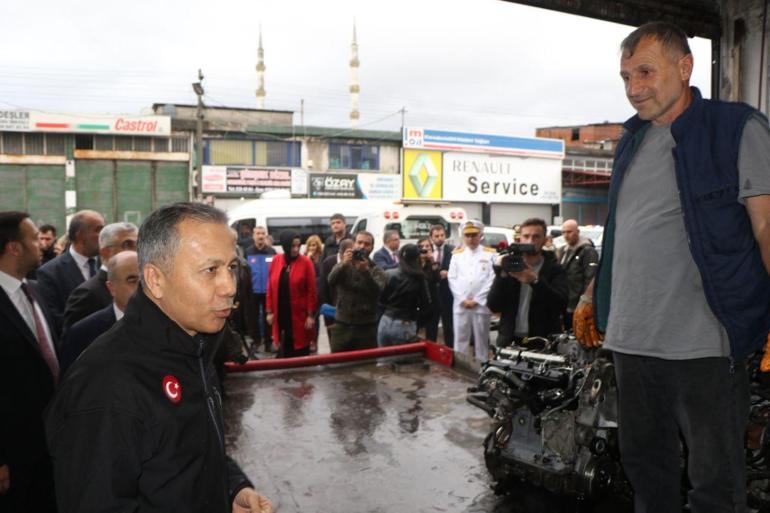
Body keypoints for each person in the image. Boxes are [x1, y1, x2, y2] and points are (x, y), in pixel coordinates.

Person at [572, 22, 770, 513]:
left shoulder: (736, 128)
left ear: (685, 68)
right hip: (632, 341)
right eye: (624, 77)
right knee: (646, 474)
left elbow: (766, 228)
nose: (633, 88)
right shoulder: (631, 142)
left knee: (715, 486)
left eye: (645, 72)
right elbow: (625, 231)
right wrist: (593, 292)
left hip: (705, 344)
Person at [45, 202, 273, 513]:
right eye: (210, 270)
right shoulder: (106, 385)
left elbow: (191, 448)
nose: (229, 287)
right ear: (154, 279)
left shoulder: (194, 345)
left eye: (232, 267)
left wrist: (232, 487)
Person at [0, 211, 58, 513]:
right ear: (14, 248)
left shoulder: (35, 290)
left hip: (47, 447)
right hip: (12, 454)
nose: (43, 245)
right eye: (35, 239)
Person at [487, 218, 568, 346]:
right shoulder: (512, 265)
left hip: (542, 341)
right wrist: (501, 275)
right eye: (526, 236)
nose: (530, 241)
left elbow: (559, 305)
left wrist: (535, 281)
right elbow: (494, 305)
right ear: (520, 239)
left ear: (545, 240)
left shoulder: (554, 268)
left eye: (536, 237)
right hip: (510, 339)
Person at [58, 250, 139, 375]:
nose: (141, 287)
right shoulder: (83, 333)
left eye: (145, 280)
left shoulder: (168, 324)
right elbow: (70, 386)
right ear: (111, 288)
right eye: (132, 280)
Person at [36, 209, 105, 333]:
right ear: (80, 235)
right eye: (98, 230)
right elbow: (54, 319)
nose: (104, 235)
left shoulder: (109, 265)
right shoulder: (49, 272)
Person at [62, 221, 138, 331]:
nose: (136, 250)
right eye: (128, 245)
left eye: (138, 244)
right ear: (105, 252)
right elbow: (76, 339)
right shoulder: (87, 294)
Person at [327, 230, 387, 352]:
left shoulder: (376, 269)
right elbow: (331, 280)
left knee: (367, 366)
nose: (362, 247)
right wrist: (343, 264)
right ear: (354, 244)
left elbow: (378, 292)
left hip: (366, 329)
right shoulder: (345, 264)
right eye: (359, 242)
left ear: (372, 247)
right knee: (337, 365)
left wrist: (365, 272)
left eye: (367, 244)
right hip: (342, 325)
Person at [448, 220, 495, 361]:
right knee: (460, 338)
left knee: (481, 339)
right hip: (461, 305)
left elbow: (492, 279)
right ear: (463, 236)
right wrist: (463, 299)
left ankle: (483, 367)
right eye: (467, 235)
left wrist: (477, 300)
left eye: (474, 235)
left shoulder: (490, 254)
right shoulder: (456, 255)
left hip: (481, 305)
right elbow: (452, 278)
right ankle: (460, 365)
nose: (470, 239)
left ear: (480, 235)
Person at [265, 231, 317, 358]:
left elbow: (312, 290)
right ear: (285, 246)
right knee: (283, 346)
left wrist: (311, 315)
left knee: (299, 347)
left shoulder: (306, 262)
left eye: (298, 246)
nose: (295, 249)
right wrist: (269, 311)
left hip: (299, 314)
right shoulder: (276, 260)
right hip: (281, 312)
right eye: (292, 246)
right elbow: (270, 287)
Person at [377, 244, 432, 346]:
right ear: (417, 258)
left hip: (385, 321)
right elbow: (426, 306)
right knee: (404, 360)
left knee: (383, 360)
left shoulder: (389, 274)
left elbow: (381, 299)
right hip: (405, 324)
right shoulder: (419, 278)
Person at [555, 219, 598, 329]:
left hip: (577, 303)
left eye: (569, 232)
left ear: (577, 231)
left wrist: (585, 302)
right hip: (565, 302)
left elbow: (590, 278)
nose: (566, 235)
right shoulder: (564, 250)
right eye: (563, 232)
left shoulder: (587, 251)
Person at [245, 226, 276, 353]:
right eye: (258, 233)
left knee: (268, 318)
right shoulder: (248, 252)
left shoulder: (271, 251)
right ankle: (256, 341)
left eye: (263, 233)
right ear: (253, 236)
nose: (260, 236)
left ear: (266, 235)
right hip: (253, 291)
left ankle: (269, 343)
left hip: (268, 291)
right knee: (253, 318)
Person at [318, 238, 354, 340]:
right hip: (333, 314)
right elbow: (323, 291)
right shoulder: (328, 263)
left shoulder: (356, 262)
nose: (351, 255)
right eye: (349, 252)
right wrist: (328, 319)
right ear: (341, 252)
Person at [426, 224, 455, 347]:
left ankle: (450, 351)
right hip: (432, 294)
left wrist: (449, 273)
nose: (440, 238)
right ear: (431, 237)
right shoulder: (426, 251)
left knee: (448, 326)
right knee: (431, 326)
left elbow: (459, 270)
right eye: (436, 236)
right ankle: (429, 350)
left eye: (442, 235)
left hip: (447, 294)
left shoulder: (452, 250)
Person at [304, 234, 324, 351]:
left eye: (314, 245)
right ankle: (309, 341)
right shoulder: (305, 258)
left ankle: (314, 341)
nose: (312, 247)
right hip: (309, 292)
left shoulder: (321, 257)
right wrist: (308, 257)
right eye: (310, 245)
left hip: (319, 291)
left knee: (316, 319)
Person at [416, 237, 440, 336]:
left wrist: (432, 260)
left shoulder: (433, 263)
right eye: (421, 247)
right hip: (417, 303)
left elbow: (436, 278)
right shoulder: (413, 263)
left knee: (432, 332)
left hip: (432, 302)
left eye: (427, 246)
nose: (424, 249)